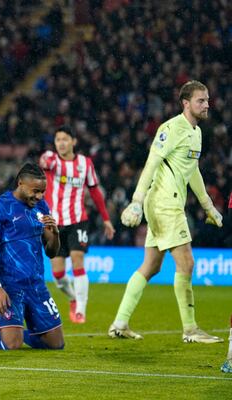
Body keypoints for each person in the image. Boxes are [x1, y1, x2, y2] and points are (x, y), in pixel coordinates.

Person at [109, 80, 224, 343]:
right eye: (200, 101)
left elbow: (192, 170)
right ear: (186, 103)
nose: (207, 105)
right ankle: (191, 329)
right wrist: (136, 200)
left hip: (166, 202)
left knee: (151, 266)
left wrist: (208, 206)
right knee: (187, 262)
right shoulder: (171, 128)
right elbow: (152, 163)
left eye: (207, 100)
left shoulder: (196, 132)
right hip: (164, 203)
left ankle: (119, 323)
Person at [0, 162, 64, 350]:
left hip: (36, 285)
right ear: (21, 184)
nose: (40, 196)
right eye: (36, 191)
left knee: (55, 344)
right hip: (11, 286)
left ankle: (8, 331)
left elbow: (51, 252)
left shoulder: (41, 206)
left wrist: (55, 234)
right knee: (11, 345)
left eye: (42, 191)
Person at [39, 125, 115, 323]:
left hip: (78, 221)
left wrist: (106, 219)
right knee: (58, 274)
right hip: (53, 224)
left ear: (73, 141)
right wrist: (44, 160)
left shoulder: (85, 164)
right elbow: (44, 161)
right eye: (58, 140)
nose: (61, 143)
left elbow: (95, 192)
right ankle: (73, 298)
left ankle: (81, 309)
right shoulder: (52, 161)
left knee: (77, 259)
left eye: (65, 139)